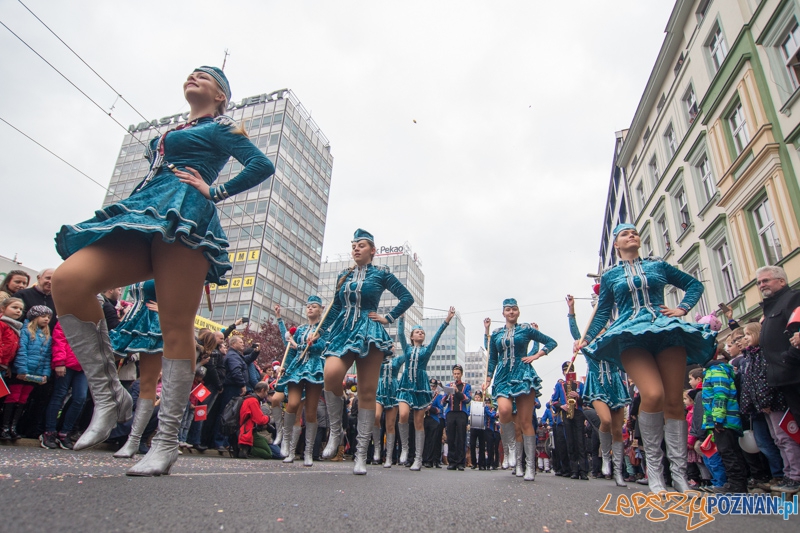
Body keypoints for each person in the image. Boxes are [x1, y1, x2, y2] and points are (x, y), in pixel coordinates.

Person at [51, 66, 274, 476]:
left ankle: (166, 441)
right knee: (68, 280)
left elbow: (261, 165)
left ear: (221, 96)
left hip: (187, 215)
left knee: (176, 326)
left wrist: (216, 190)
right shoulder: (173, 129)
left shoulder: (223, 127)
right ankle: (109, 398)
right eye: (190, 74)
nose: (194, 78)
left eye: (204, 78)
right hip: (146, 210)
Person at [576, 223, 716, 494]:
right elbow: (603, 313)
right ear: (616, 244)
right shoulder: (610, 276)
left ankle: (679, 476)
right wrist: (586, 338)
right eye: (625, 234)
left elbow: (693, 285)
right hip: (630, 335)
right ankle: (655, 471)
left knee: (674, 400)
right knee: (652, 394)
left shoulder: (658, 266)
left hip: (665, 331)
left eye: (635, 233)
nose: (632, 236)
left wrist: (682, 308)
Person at [319, 229, 414, 475]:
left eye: (361, 245)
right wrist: (319, 332)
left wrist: (388, 317)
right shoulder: (343, 275)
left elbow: (407, 297)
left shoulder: (382, 273)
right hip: (343, 329)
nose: (356, 249)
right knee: (331, 375)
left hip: (370, 330)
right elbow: (335, 306)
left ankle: (361, 455)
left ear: (372, 250)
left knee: (367, 392)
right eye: (353, 246)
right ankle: (336, 431)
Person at [484, 299, 558, 481]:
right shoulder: (496, 334)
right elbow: (492, 358)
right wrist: (487, 379)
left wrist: (536, 355)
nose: (511, 312)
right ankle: (510, 450)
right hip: (502, 376)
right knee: (504, 410)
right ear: (503, 313)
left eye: (514, 309)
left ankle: (530, 467)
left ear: (518, 312)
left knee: (525, 423)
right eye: (507, 310)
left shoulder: (526, 329)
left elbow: (551, 342)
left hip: (523, 374)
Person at [566, 294, 630, 486]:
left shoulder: (614, 342)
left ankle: (617, 470)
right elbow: (576, 333)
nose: (601, 330)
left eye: (603, 326)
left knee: (618, 429)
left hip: (616, 385)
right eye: (598, 327)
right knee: (606, 420)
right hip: (597, 384)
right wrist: (571, 310)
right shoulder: (588, 345)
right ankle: (606, 456)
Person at [739, 321, 800, 494]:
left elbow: (765, 380)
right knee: (777, 440)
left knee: (785, 438)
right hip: (763, 405)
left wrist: (765, 401)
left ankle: (795, 475)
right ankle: (787, 473)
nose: (745, 338)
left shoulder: (764, 354)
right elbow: (751, 384)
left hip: (774, 403)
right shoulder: (752, 355)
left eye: (748, 334)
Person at [109, 280, 164, 459]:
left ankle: (133, 440)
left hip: (157, 324)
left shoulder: (176, 259)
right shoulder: (135, 260)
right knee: (102, 358)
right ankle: (117, 398)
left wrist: (169, 312)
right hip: (131, 320)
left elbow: (190, 299)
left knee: (148, 383)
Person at [397, 307, 455, 471]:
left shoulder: (427, 350)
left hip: (421, 385)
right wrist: (401, 317)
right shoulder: (407, 348)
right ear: (412, 336)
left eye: (422, 332)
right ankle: (405, 448)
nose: (420, 334)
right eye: (417, 332)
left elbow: (436, 337)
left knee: (418, 422)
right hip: (406, 383)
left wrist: (447, 320)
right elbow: (400, 334)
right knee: (402, 414)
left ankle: (418, 458)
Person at [276, 297, 326, 467]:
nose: (310, 309)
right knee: (292, 404)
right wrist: (285, 366)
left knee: (311, 411)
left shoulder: (323, 329)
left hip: (315, 368)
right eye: (308, 307)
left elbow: (323, 347)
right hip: (297, 368)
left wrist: (313, 343)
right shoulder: (301, 329)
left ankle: (308, 452)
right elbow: (291, 350)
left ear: (321, 309)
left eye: (314, 307)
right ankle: (288, 446)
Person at [3, 306, 53, 440]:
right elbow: (22, 351)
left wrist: (45, 374)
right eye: (43, 316)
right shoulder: (25, 331)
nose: (46, 319)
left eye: (48, 317)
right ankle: (4, 426)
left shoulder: (47, 335)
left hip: (35, 374)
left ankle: (13, 427)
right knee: (13, 396)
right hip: (22, 372)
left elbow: (47, 357)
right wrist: (22, 370)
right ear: (34, 317)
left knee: (23, 399)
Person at [41, 321, 88, 449]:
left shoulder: (93, 323)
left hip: (83, 366)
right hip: (66, 363)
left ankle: (65, 432)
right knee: (59, 396)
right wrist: (59, 362)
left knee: (80, 398)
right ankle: (49, 431)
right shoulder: (66, 320)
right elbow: (59, 342)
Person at [374, 346, 405, 467]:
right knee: (375, 417)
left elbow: (407, 354)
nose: (390, 348)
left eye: (392, 346)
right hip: (380, 389)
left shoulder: (397, 360)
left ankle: (388, 456)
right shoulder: (378, 358)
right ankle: (377, 448)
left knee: (390, 425)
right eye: (388, 346)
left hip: (393, 391)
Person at [443, 364, 472, 471]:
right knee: (450, 437)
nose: (456, 376)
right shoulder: (449, 385)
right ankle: (452, 461)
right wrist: (445, 395)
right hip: (450, 413)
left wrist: (457, 392)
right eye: (455, 374)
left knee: (461, 437)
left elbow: (467, 399)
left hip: (461, 413)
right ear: (452, 374)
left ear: (461, 374)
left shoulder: (466, 386)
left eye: (458, 374)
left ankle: (460, 462)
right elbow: (443, 402)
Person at [236, 381, 272, 458]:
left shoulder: (250, 398)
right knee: (268, 454)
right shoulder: (253, 401)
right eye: (267, 391)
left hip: (247, 429)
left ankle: (247, 450)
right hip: (248, 430)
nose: (267, 394)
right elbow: (260, 419)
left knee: (265, 443)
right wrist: (269, 418)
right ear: (262, 390)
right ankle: (248, 450)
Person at [0, 297, 24, 377]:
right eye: (14, 307)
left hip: (3, 366)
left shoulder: (15, 328)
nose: (18, 311)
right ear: (3, 308)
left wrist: (7, 366)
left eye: (21, 309)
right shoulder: (1, 324)